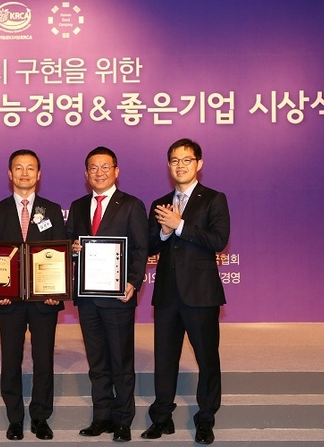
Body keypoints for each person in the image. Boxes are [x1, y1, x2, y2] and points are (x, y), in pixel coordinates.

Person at [141, 138, 230, 445]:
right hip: (167, 294)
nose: (180, 165)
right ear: (169, 166)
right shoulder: (160, 203)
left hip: (201, 294)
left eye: (187, 160)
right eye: (175, 161)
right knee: (164, 358)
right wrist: (164, 232)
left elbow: (218, 240)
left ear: (199, 164)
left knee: (207, 358)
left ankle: (205, 419)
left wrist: (179, 225)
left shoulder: (214, 199)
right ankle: (161, 417)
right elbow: (149, 246)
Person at [0, 149, 66, 441]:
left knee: (44, 360)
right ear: (10, 174)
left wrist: (57, 292)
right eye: (18, 168)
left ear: (39, 174)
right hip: (10, 301)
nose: (24, 173)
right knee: (11, 359)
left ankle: (40, 417)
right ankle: (15, 418)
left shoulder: (52, 210)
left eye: (30, 168)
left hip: (44, 300)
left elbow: (60, 253)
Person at [66, 146, 149, 443]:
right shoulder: (77, 206)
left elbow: (141, 248)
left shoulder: (132, 205)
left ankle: (123, 420)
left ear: (116, 171)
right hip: (87, 297)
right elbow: (67, 243)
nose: (99, 173)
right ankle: (101, 417)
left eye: (105, 167)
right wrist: (72, 248)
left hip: (117, 297)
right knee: (97, 360)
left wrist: (133, 281)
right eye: (93, 168)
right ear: (86, 173)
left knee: (121, 361)